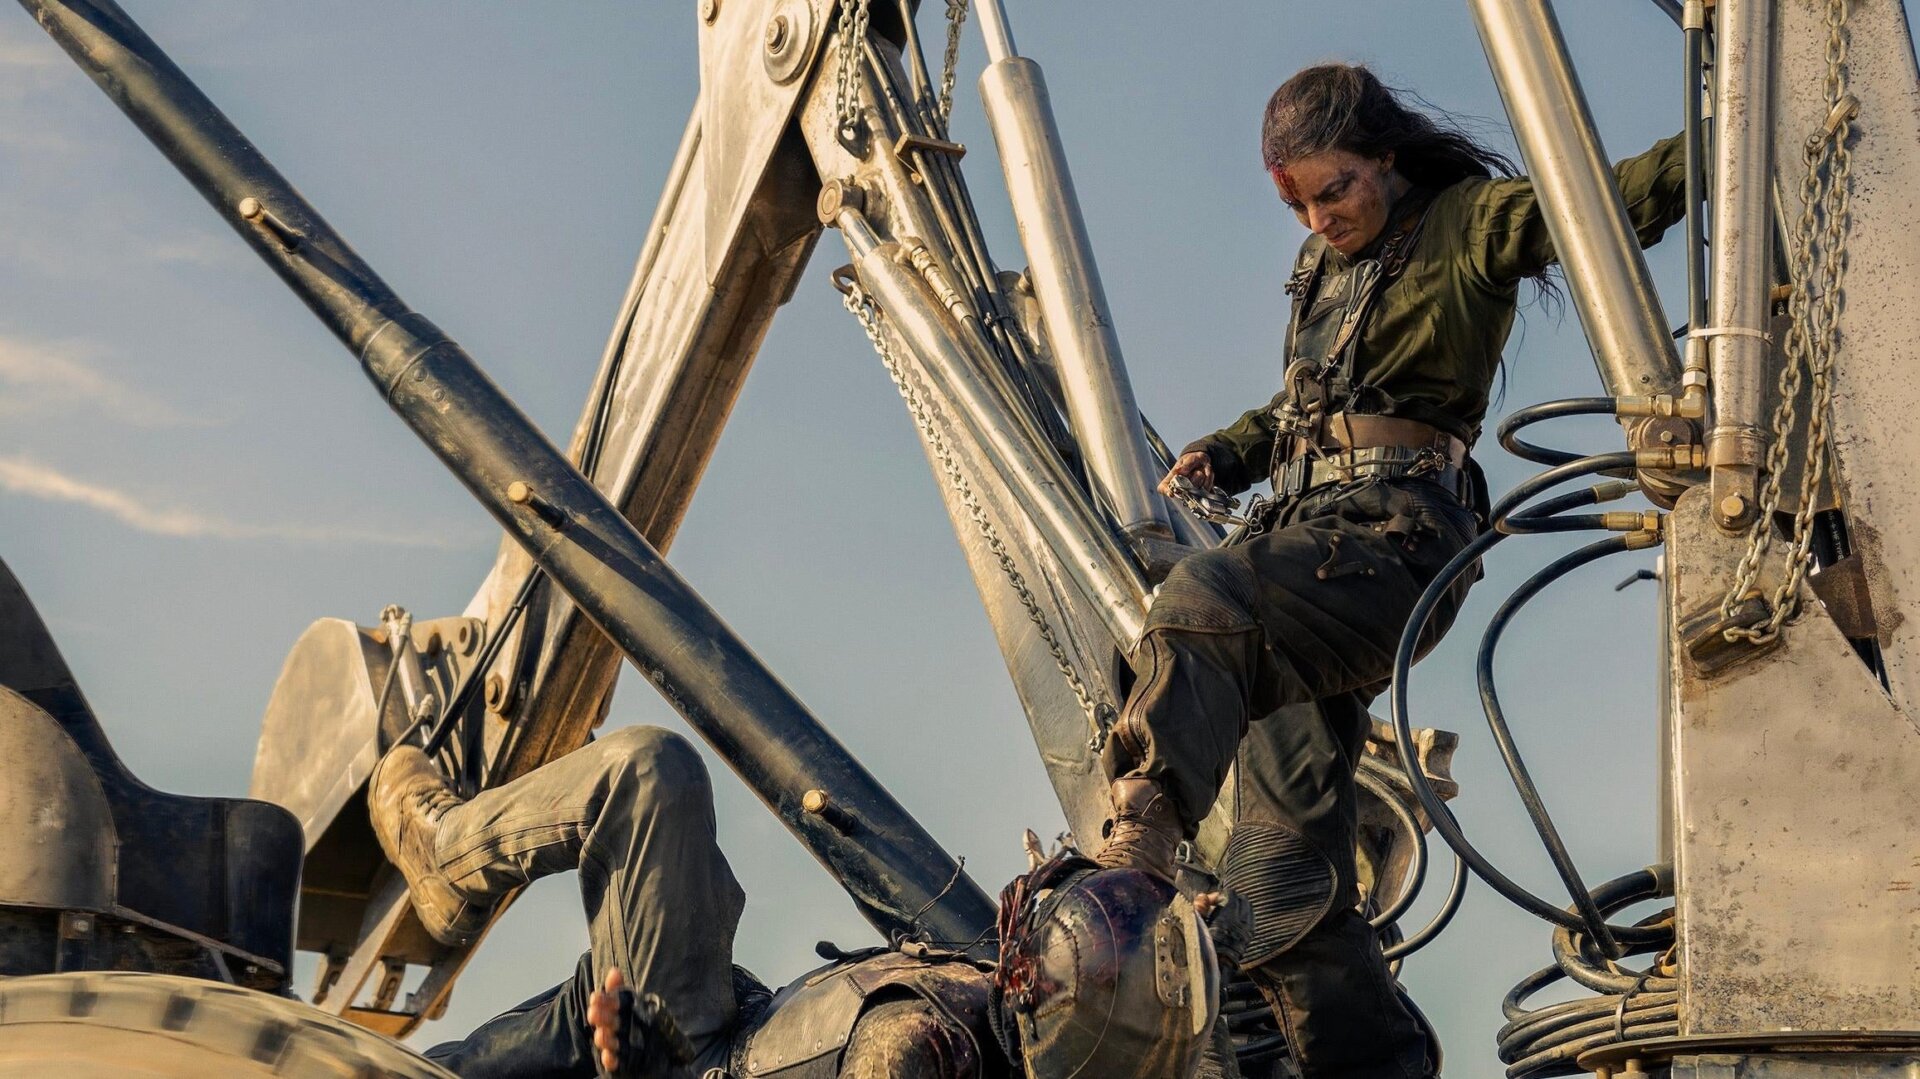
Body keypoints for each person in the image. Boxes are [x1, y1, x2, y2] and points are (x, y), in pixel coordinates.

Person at [1091, 63, 1687, 1079]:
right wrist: (1231, 450)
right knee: (1280, 883)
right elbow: (1304, 406)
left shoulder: (1467, 223)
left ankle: (1135, 840)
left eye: (1336, 191)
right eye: (1299, 205)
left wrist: (1738, 128)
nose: (1320, 219)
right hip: (1304, 540)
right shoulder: (1320, 270)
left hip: (1394, 541)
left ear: (1385, 158)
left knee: (1201, 599)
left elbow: (1609, 199)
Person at [363, 725, 1224, 1078]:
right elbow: (1133, 908)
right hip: (726, 1010)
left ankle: (446, 856)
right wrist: (1152, 821)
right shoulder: (1099, 1025)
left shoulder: (907, 1058)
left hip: (689, 1053)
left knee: (648, 775)